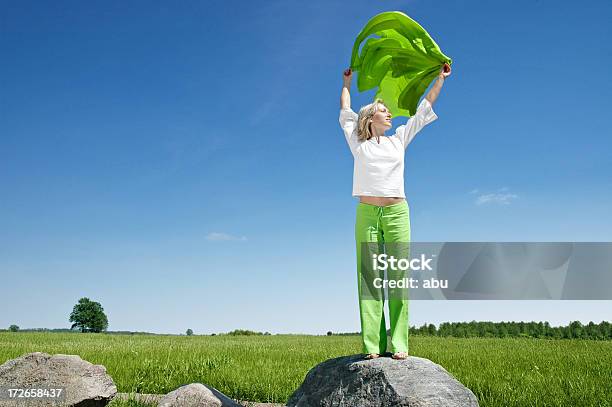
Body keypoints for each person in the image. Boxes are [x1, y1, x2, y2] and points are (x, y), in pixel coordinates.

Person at [339, 63, 451, 360]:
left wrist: (440, 78)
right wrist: (347, 83)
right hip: (367, 214)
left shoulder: (399, 139)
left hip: (397, 213)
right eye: (384, 111)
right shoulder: (358, 142)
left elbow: (424, 108)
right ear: (370, 118)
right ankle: (373, 346)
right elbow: (345, 111)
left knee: (398, 277)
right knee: (370, 276)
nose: (389, 114)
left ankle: (399, 342)